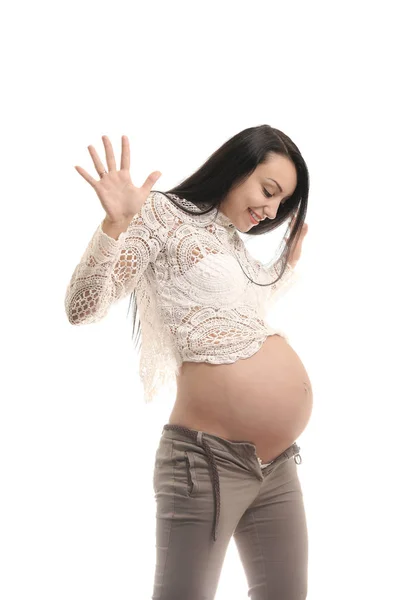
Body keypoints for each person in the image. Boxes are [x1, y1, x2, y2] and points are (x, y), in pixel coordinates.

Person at [65, 125, 311, 599]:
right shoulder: (159, 213)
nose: (271, 211)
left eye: (281, 204)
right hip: (207, 462)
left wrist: (286, 266)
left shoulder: (233, 242)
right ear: (236, 167)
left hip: (277, 467)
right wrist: (117, 225)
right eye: (268, 191)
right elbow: (82, 308)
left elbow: (240, 314)